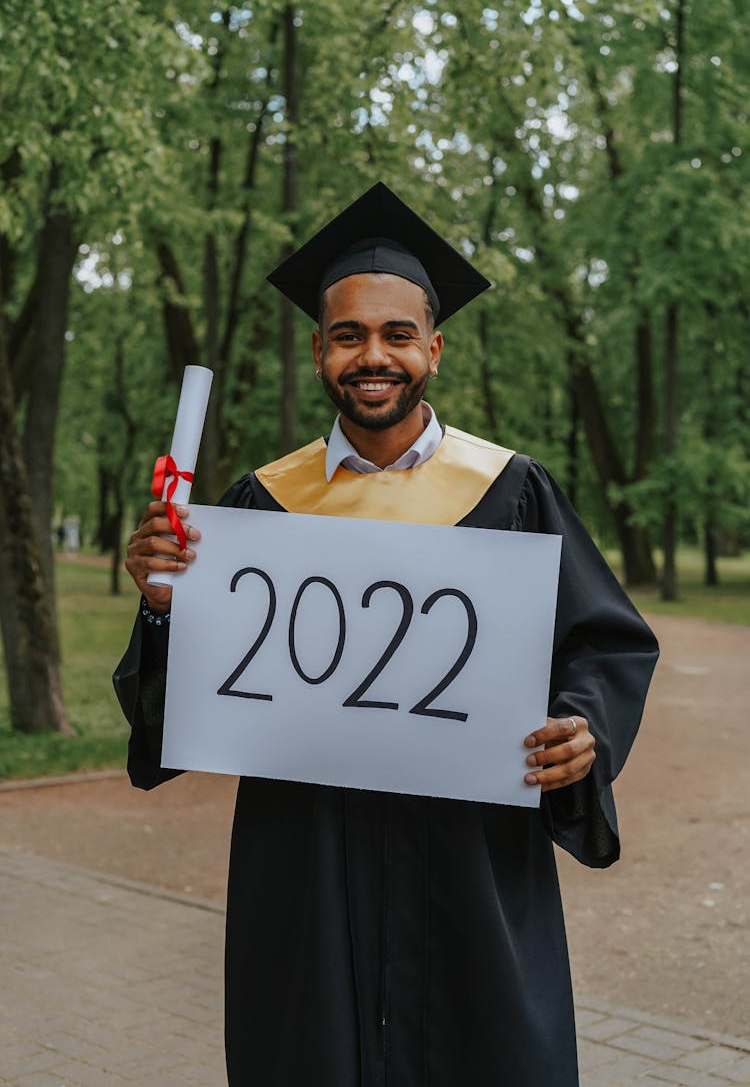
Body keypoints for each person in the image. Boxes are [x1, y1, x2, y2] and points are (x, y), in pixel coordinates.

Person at [114, 182, 658, 1087]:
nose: (374, 355)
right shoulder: (258, 505)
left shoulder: (513, 490)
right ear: (320, 351)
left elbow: (604, 643)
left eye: (398, 334)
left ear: (433, 349)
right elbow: (182, 711)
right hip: (306, 869)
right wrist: (165, 606)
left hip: (473, 872)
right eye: (348, 334)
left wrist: (584, 727)